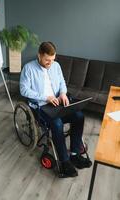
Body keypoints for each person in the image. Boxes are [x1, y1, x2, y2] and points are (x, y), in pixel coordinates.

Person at [20, 41, 92, 177]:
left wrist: (63, 93)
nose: (50, 63)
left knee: (79, 116)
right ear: (39, 55)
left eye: (52, 60)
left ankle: (75, 154)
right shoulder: (28, 68)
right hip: (41, 106)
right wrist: (45, 97)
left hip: (57, 103)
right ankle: (64, 161)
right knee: (57, 123)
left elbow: (62, 82)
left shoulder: (56, 66)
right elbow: (23, 90)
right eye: (47, 60)